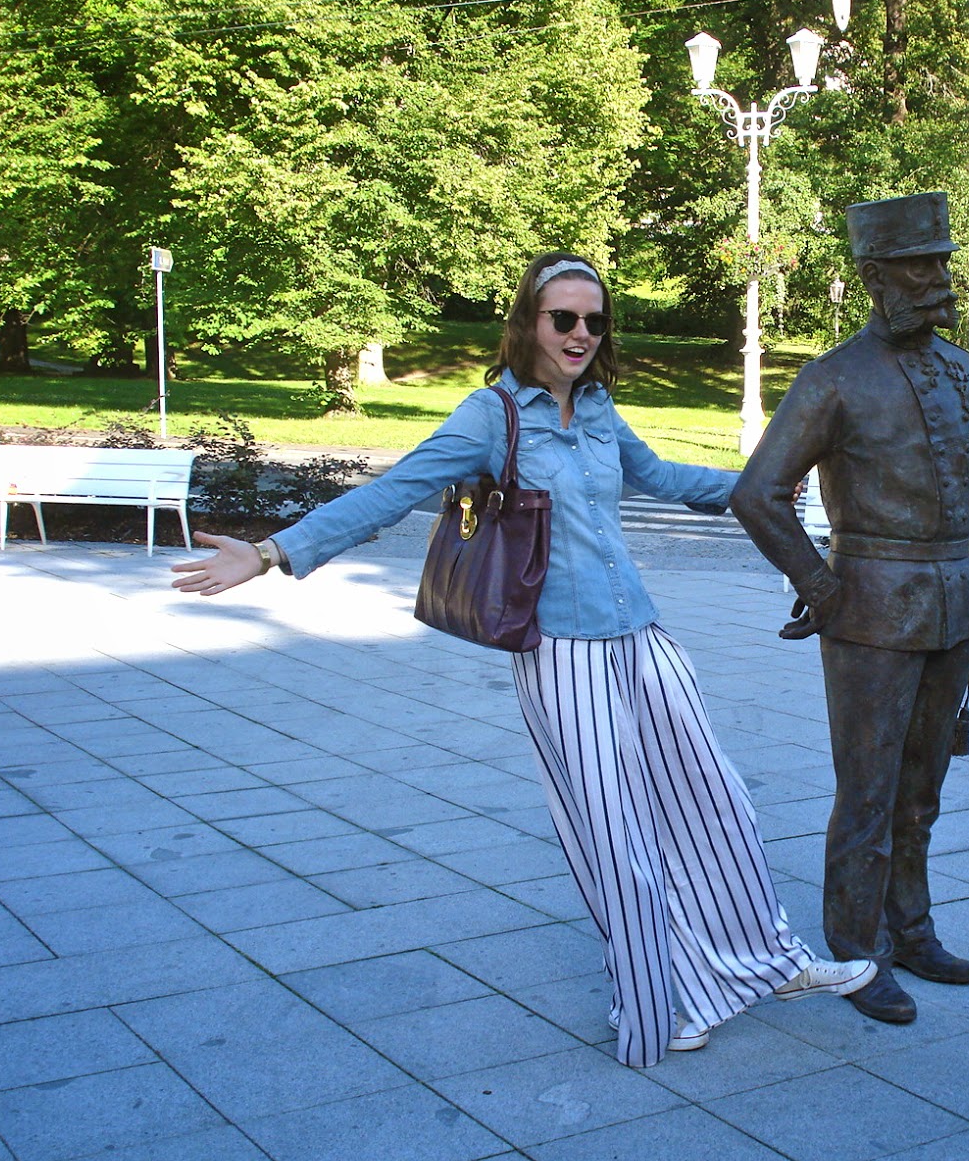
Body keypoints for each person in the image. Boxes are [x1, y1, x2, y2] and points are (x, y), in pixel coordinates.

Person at [171, 251, 873, 1068]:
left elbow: (662, 476)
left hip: (642, 636)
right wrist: (270, 553)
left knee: (715, 806)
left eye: (594, 321)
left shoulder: (599, 408)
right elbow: (392, 491)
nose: (581, 333)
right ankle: (653, 1002)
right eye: (563, 318)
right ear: (528, 323)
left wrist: (767, 480)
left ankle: (770, 963)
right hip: (561, 654)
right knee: (615, 837)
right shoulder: (491, 416)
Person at [729, 193, 969, 1025]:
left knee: (923, 790)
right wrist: (821, 586)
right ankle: (857, 951)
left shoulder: (967, 374)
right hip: (872, 612)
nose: (937, 280)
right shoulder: (834, 379)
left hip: (956, 606)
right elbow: (757, 494)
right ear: (875, 276)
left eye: (942, 262)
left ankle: (911, 929)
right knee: (868, 795)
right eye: (918, 267)